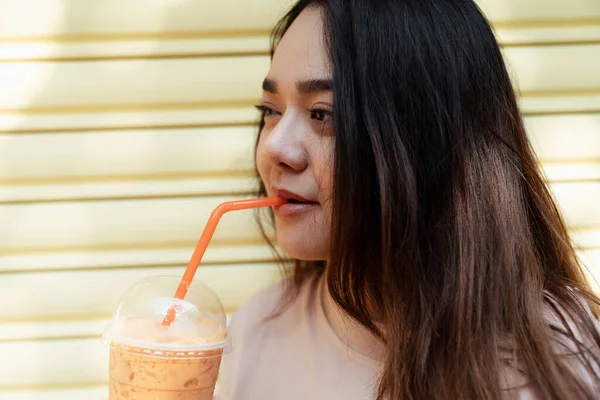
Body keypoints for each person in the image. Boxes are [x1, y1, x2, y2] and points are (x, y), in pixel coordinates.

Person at [218, 0, 600, 399]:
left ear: (425, 140)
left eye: (322, 115)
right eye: (271, 111)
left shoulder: (547, 355)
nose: (275, 147)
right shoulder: (254, 332)